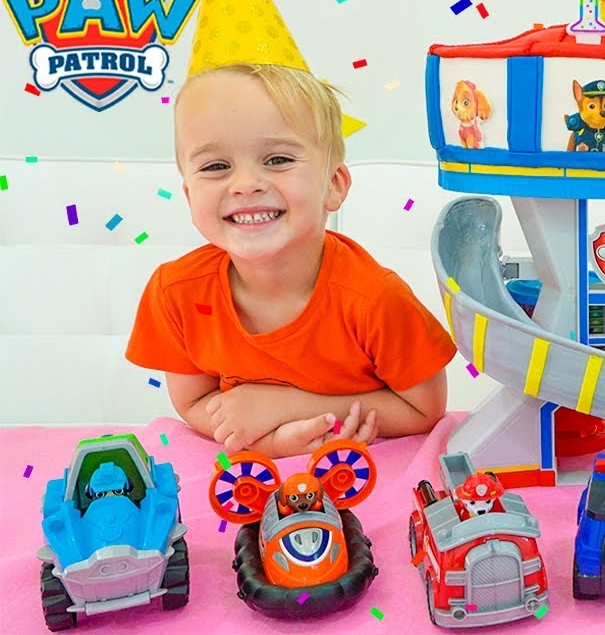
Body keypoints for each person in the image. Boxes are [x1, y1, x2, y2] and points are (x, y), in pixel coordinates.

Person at [126, 64, 457, 456]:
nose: (246, 184)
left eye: (278, 159)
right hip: (249, 470)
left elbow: (425, 410)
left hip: (366, 468)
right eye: (216, 166)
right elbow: (193, 402)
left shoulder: (377, 299)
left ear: (333, 186)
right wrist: (273, 442)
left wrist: (289, 406)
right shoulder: (175, 292)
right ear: (188, 195)